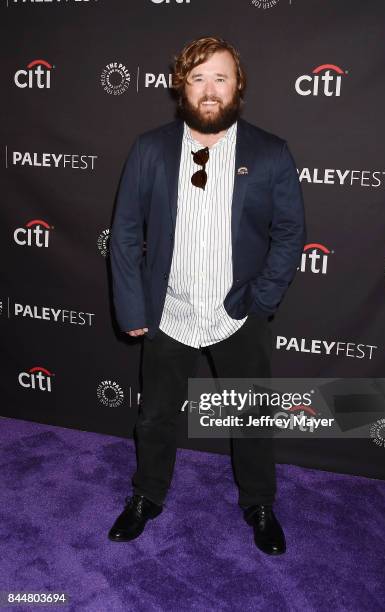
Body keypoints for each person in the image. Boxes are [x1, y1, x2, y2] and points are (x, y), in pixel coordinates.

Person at [108, 36, 306, 555]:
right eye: (198, 78)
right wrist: (132, 306)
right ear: (182, 88)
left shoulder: (270, 152)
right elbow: (126, 231)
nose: (210, 89)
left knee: (252, 416)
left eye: (221, 77)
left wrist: (261, 301)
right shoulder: (150, 149)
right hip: (168, 311)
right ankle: (146, 497)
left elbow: (289, 234)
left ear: (238, 85)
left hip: (238, 314)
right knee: (155, 415)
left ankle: (259, 503)